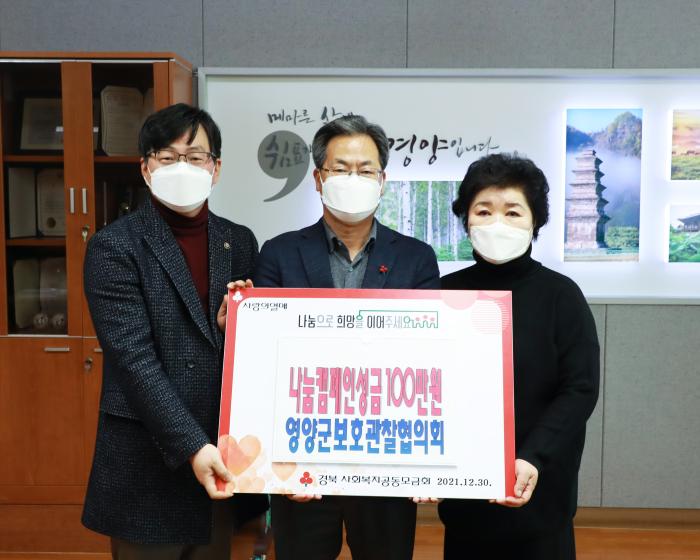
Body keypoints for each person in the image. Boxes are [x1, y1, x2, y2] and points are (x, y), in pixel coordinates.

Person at [81, 103, 267, 559]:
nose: (182, 167)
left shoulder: (239, 241)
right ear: (146, 169)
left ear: (216, 168)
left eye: (195, 156)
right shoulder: (113, 246)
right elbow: (134, 361)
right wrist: (192, 446)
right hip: (147, 462)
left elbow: (247, 350)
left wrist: (231, 330)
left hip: (221, 460)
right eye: (167, 157)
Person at [253, 115, 440, 560]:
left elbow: (431, 360)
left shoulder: (416, 258)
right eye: (340, 169)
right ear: (318, 179)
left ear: (382, 181)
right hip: (302, 458)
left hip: (387, 460)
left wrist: (429, 461)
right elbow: (263, 361)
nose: (353, 179)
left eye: (365, 169)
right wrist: (273, 465)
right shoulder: (279, 253)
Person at [438, 153, 600, 559]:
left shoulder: (561, 295)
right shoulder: (442, 294)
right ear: (466, 220)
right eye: (484, 211)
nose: (498, 223)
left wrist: (533, 456)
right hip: (464, 494)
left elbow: (579, 388)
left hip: (539, 486)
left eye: (512, 212)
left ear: (535, 221)